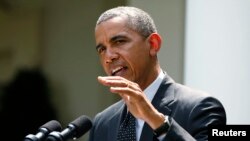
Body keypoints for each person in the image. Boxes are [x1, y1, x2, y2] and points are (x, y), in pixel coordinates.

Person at [88, 6, 226, 141]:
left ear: (153, 44)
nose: (109, 57)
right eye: (102, 49)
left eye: (119, 42)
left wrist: (157, 122)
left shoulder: (201, 108)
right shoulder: (102, 123)